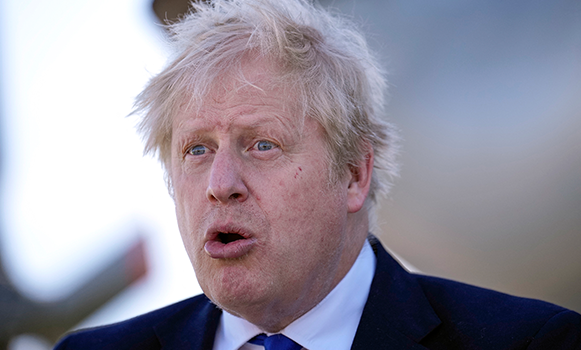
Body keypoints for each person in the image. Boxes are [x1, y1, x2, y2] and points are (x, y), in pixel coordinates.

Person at [54, 0, 581, 349]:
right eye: (196, 150)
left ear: (353, 173)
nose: (220, 183)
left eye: (262, 144)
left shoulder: (533, 342)